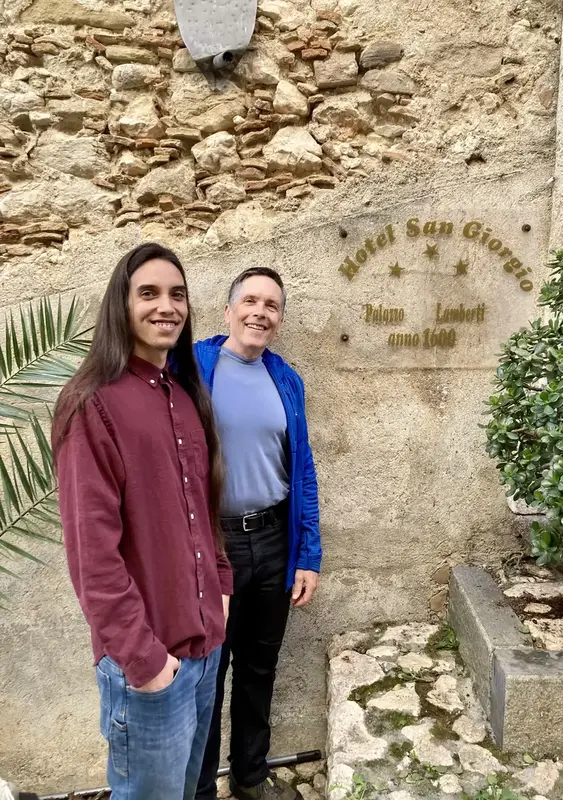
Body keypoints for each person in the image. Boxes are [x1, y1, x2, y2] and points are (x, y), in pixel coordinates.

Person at [52, 243, 232, 800]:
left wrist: (222, 588)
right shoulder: (92, 405)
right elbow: (92, 556)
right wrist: (145, 660)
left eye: (177, 294)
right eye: (149, 293)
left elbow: (204, 512)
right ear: (120, 306)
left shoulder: (184, 396)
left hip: (205, 649)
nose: (167, 306)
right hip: (151, 667)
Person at [194, 267, 322, 800]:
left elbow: (304, 471)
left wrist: (308, 554)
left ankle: (249, 776)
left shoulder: (285, 379)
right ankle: (199, 789)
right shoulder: (193, 367)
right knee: (205, 678)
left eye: (271, 305)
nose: (259, 312)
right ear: (228, 312)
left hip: (272, 542)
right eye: (249, 301)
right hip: (210, 548)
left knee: (259, 668)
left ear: (280, 319)